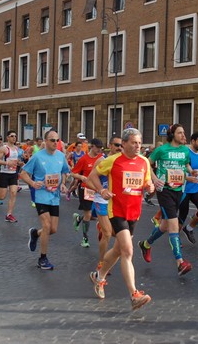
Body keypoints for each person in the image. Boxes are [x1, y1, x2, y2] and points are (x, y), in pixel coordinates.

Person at [87, 128, 155, 310]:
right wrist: (101, 190)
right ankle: (134, 295)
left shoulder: (144, 162)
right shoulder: (112, 161)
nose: (138, 146)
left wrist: (149, 187)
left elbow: (147, 181)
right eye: (134, 142)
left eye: (140, 143)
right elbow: (92, 176)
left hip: (134, 212)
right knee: (128, 251)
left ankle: (99, 276)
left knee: (118, 250)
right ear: (124, 144)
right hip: (116, 210)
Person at [138, 124, 193, 276]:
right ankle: (180, 263)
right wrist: (154, 179)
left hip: (179, 190)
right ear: (172, 134)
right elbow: (146, 163)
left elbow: (185, 164)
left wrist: (191, 172)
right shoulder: (161, 150)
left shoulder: (184, 150)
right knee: (174, 226)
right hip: (165, 191)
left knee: (164, 226)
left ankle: (146, 244)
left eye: (184, 132)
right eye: (180, 133)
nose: (183, 135)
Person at [22, 129, 70, 270]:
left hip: (54, 197)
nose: (55, 142)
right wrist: (32, 183)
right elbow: (23, 173)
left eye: (57, 140)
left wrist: (62, 183)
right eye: (52, 140)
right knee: (47, 225)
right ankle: (42, 258)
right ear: (46, 142)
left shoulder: (61, 156)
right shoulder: (37, 157)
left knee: (53, 229)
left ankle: (35, 233)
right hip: (41, 195)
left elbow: (65, 172)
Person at [86, 136, 122, 273]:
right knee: (107, 234)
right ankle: (102, 264)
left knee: (117, 234)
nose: (119, 148)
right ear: (110, 145)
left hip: (115, 202)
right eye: (116, 145)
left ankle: (100, 226)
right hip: (101, 201)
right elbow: (89, 181)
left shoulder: (121, 162)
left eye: (121, 145)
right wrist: (101, 191)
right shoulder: (102, 161)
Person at [71, 138, 104, 248]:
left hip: (98, 190)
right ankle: (85, 238)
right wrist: (81, 177)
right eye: (97, 148)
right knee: (89, 214)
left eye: (101, 148)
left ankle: (79, 218)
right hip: (85, 189)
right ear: (92, 146)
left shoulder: (102, 158)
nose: (99, 150)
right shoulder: (84, 159)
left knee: (93, 215)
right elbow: (73, 173)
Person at [0, 130, 24, 223]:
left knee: (13, 193)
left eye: (15, 136)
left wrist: (19, 162)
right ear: (7, 137)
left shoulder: (16, 148)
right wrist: (7, 162)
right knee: (2, 196)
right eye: (12, 136)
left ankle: (9, 214)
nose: (14, 138)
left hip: (13, 174)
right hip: (4, 174)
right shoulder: (4, 148)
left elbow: (15, 160)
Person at [179, 131, 198, 245]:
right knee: (182, 214)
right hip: (184, 189)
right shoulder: (185, 152)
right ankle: (176, 239)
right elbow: (180, 169)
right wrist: (188, 177)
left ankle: (189, 228)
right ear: (193, 141)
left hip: (196, 187)